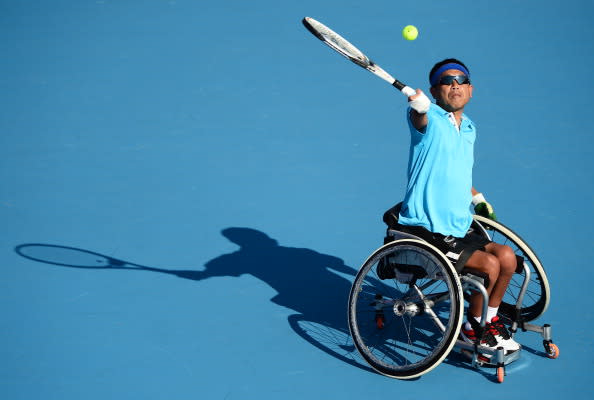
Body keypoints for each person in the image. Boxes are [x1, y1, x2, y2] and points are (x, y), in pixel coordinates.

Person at [396, 58, 520, 358]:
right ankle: (473, 328)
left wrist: (477, 197)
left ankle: (487, 322)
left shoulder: (470, 128)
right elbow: (419, 119)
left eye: (461, 80)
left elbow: (457, 172)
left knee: (507, 258)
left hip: (459, 225)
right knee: (489, 266)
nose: (455, 84)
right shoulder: (428, 118)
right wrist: (420, 108)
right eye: (446, 80)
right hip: (426, 228)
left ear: (470, 90)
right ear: (434, 91)